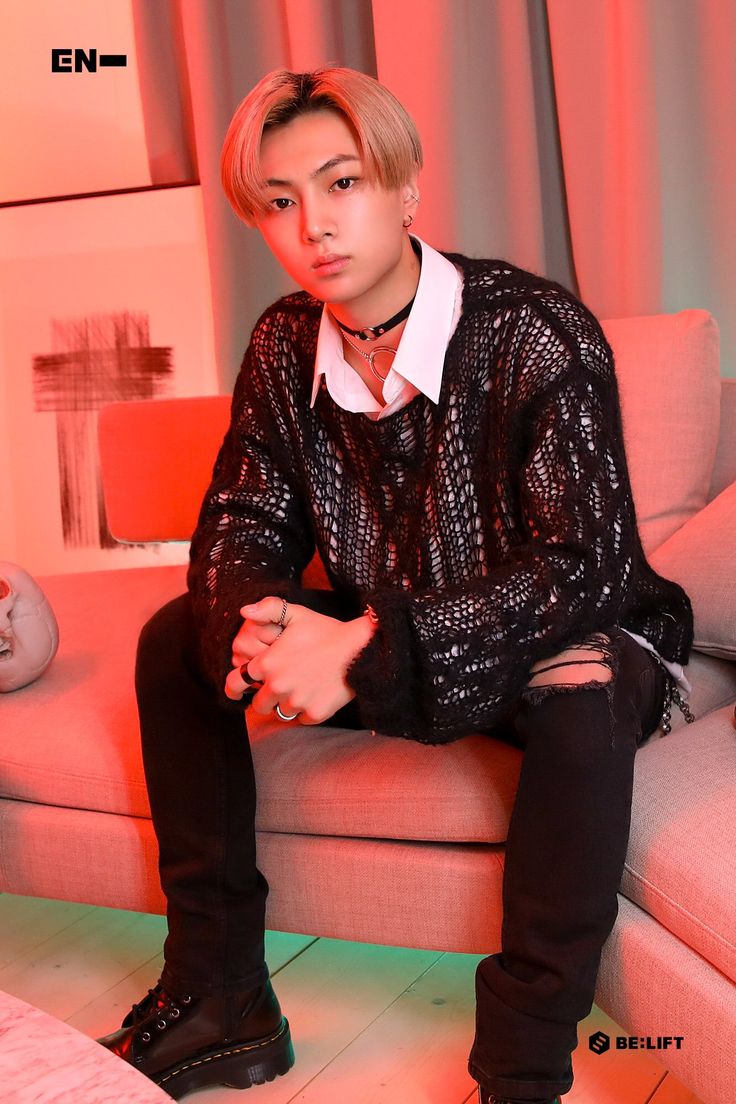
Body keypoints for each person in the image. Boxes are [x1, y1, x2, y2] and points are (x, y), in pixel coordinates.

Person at [97, 66, 695, 1104]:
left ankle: (520, 1067)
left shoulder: (534, 329)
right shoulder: (283, 345)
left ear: (405, 188)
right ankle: (220, 997)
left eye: (341, 183)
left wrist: (365, 648)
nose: (312, 224)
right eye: (279, 202)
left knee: (582, 683)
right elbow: (244, 517)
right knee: (169, 638)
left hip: (554, 630)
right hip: (394, 628)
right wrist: (258, 628)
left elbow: (581, 568)